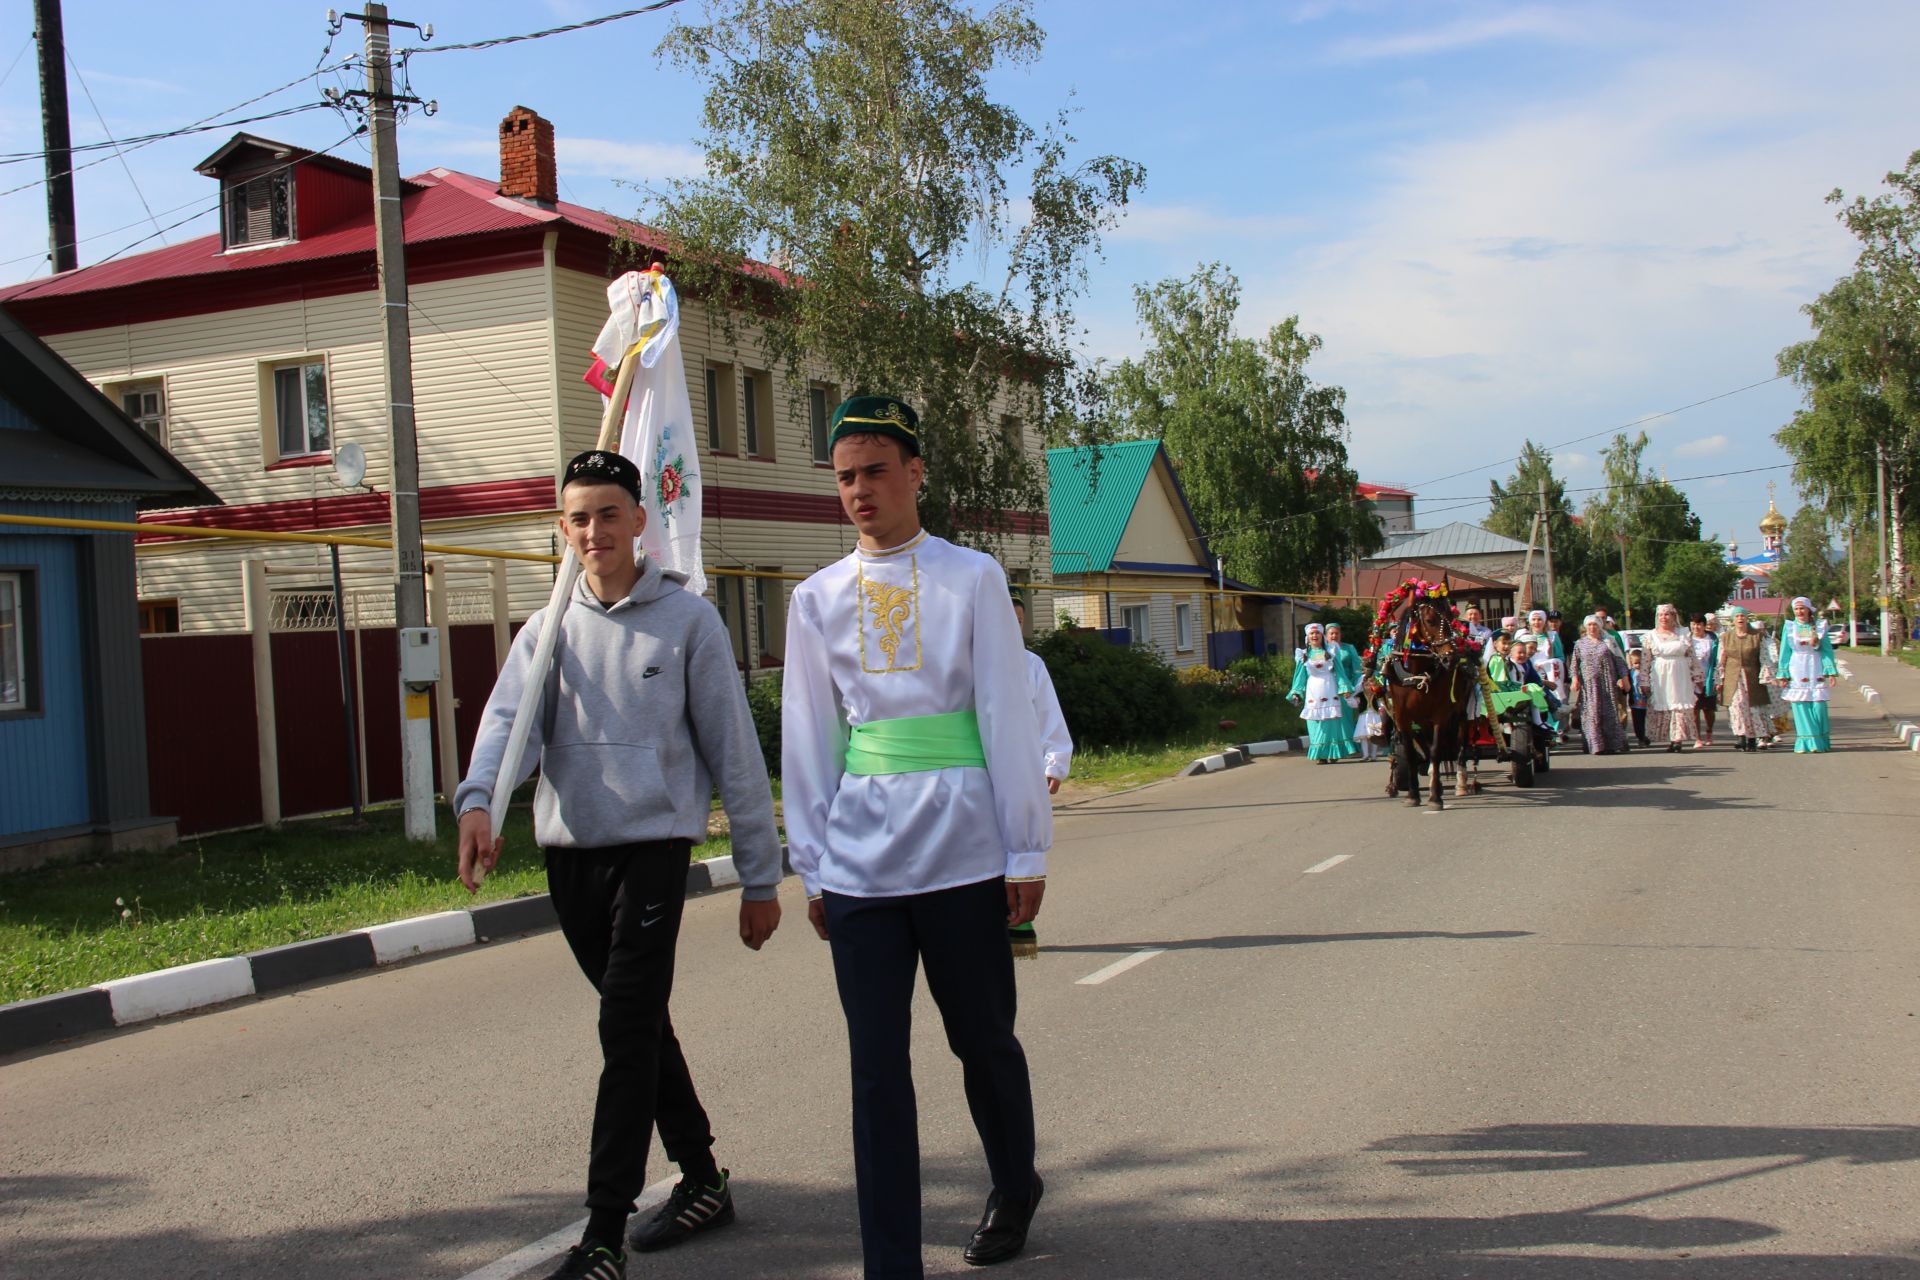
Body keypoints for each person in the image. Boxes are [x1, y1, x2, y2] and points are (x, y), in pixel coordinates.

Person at [454, 450, 784, 1280]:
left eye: (609, 513)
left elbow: (734, 753)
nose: (594, 531)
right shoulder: (549, 627)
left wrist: (759, 875)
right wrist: (479, 802)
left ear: (641, 521)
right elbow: (508, 726)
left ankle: (603, 1236)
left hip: (653, 853)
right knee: (638, 1025)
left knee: (623, 1027)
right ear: (561, 531)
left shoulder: (688, 622)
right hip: (571, 855)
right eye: (579, 518)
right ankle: (702, 1177)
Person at [781, 395, 1052, 1278]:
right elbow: (810, 741)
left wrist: (1026, 847)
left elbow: (1007, 718)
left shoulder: (972, 578)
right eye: (846, 477)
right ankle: (890, 1262)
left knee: (982, 1041)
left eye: (876, 472)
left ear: (916, 473)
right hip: (862, 863)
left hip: (966, 850)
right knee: (875, 1072)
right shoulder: (815, 600)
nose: (860, 491)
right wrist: (814, 868)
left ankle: (1015, 1185)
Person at [1009, 587, 1070, 960]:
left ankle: (1019, 925)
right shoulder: (971, 663)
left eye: (1019, 622)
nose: (1013, 628)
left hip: (1025, 772)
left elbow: (1050, 717)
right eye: (1007, 621)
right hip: (981, 774)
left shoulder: (1032, 665)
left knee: (1021, 848)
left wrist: (1055, 762)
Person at [1776, 596, 1840, 752]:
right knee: (1801, 705)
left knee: (1819, 706)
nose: (1799, 612)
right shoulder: (1790, 627)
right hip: (1797, 667)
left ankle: (1821, 742)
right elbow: (1785, 651)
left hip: (1815, 666)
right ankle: (1807, 743)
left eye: (1802, 608)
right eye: (1796, 609)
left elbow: (1826, 651)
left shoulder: (1820, 626)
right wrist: (1783, 674)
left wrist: (1830, 672)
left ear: (1809, 610)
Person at [1289, 621, 1355, 764]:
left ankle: (1333, 753)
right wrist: (1296, 692)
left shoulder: (1330, 652)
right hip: (1313, 692)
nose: (1314, 636)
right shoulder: (1304, 655)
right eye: (1312, 633)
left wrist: (1345, 688)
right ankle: (1320, 755)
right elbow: (1299, 676)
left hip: (1330, 688)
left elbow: (1339, 671)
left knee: (1331, 722)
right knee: (1315, 723)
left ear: (1322, 636)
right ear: (1307, 636)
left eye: (1317, 633)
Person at [1642, 603, 1703, 753]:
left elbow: (1692, 656)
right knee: (1665, 704)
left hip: (1680, 674)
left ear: (1673, 616)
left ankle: (1678, 739)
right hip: (1660, 676)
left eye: (1667, 614)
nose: (1664, 617)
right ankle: (1671, 738)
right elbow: (1645, 661)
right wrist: (1644, 681)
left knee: (1679, 704)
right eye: (1661, 615)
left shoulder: (1683, 633)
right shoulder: (1650, 636)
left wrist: (1698, 676)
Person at [1716, 606, 1776, 752]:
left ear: (1747, 618)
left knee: (1753, 707)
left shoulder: (1756, 636)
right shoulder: (1725, 637)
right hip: (1733, 677)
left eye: (1742, 616)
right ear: (1733, 620)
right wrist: (1719, 679)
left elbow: (1764, 657)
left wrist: (1767, 674)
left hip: (1752, 676)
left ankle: (1752, 738)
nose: (1740, 618)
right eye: (1737, 616)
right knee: (1737, 707)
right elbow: (1721, 659)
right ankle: (1741, 737)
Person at [1569, 614, 1630, 754]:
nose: (1592, 627)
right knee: (1591, 713)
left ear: (1600, 626)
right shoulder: (1580, 644)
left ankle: (1612, 744)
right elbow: (1574, 664)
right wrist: (1575, 679)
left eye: (1595, 624)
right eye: (1589, 625)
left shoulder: (1609, 641)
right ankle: (1595, 745)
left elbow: (1620, 662)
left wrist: (1625, 679)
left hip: (1607, 683)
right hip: (1589, 685)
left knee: (1608, 713)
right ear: (1585, 627)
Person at [1324, 621, 1364, 752]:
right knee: (1331, 717)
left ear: (1340, 635)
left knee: (1345, 715)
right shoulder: (1322, 650)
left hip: (1345, 686)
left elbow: (1357, 668)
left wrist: (1355, 686)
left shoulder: (1348, 648)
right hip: (1326, 687)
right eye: (1331, 634)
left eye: (1336, 633)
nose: (1334, 636)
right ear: (1326, 635)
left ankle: (1349, 747)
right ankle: (1334, 747)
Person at [1689, 613, 1720, 749]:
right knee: (1694, 709)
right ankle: (1697, 737)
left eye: (1699, 624)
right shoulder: (1687, 640)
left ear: (1704, 625)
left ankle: (1709, 731)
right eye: (1694, 624)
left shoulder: (1712, 639)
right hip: (1691, 679)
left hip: (1708, 677)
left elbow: (1718, 658)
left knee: (1708, 709)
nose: (1696, 627)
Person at [1626, 649, 1651, 747]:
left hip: (1646, 702)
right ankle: (1641, 738)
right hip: (1635, 703)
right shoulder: (1630, 673)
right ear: (1631, 662)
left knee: (1647, 722)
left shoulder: (1647, 673)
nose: (1638, 665)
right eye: (1635, 663)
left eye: (1640, 663)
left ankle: (1645, 737)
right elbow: (1627, 687)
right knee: (1637, 723)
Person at [1353, 688, 1385, 762]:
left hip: (1374, 716)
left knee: (1374, 735)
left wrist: (1382, 709)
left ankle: (1373, 756)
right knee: (1363, 736)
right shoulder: (1360, 695)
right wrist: (1348, 698)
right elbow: (1354, 704)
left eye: (1369, 684)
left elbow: (1381, 704)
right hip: (1364, 717)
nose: (1368, 687)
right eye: (1366, 685)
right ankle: (1365, 755)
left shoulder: (1376, 694)